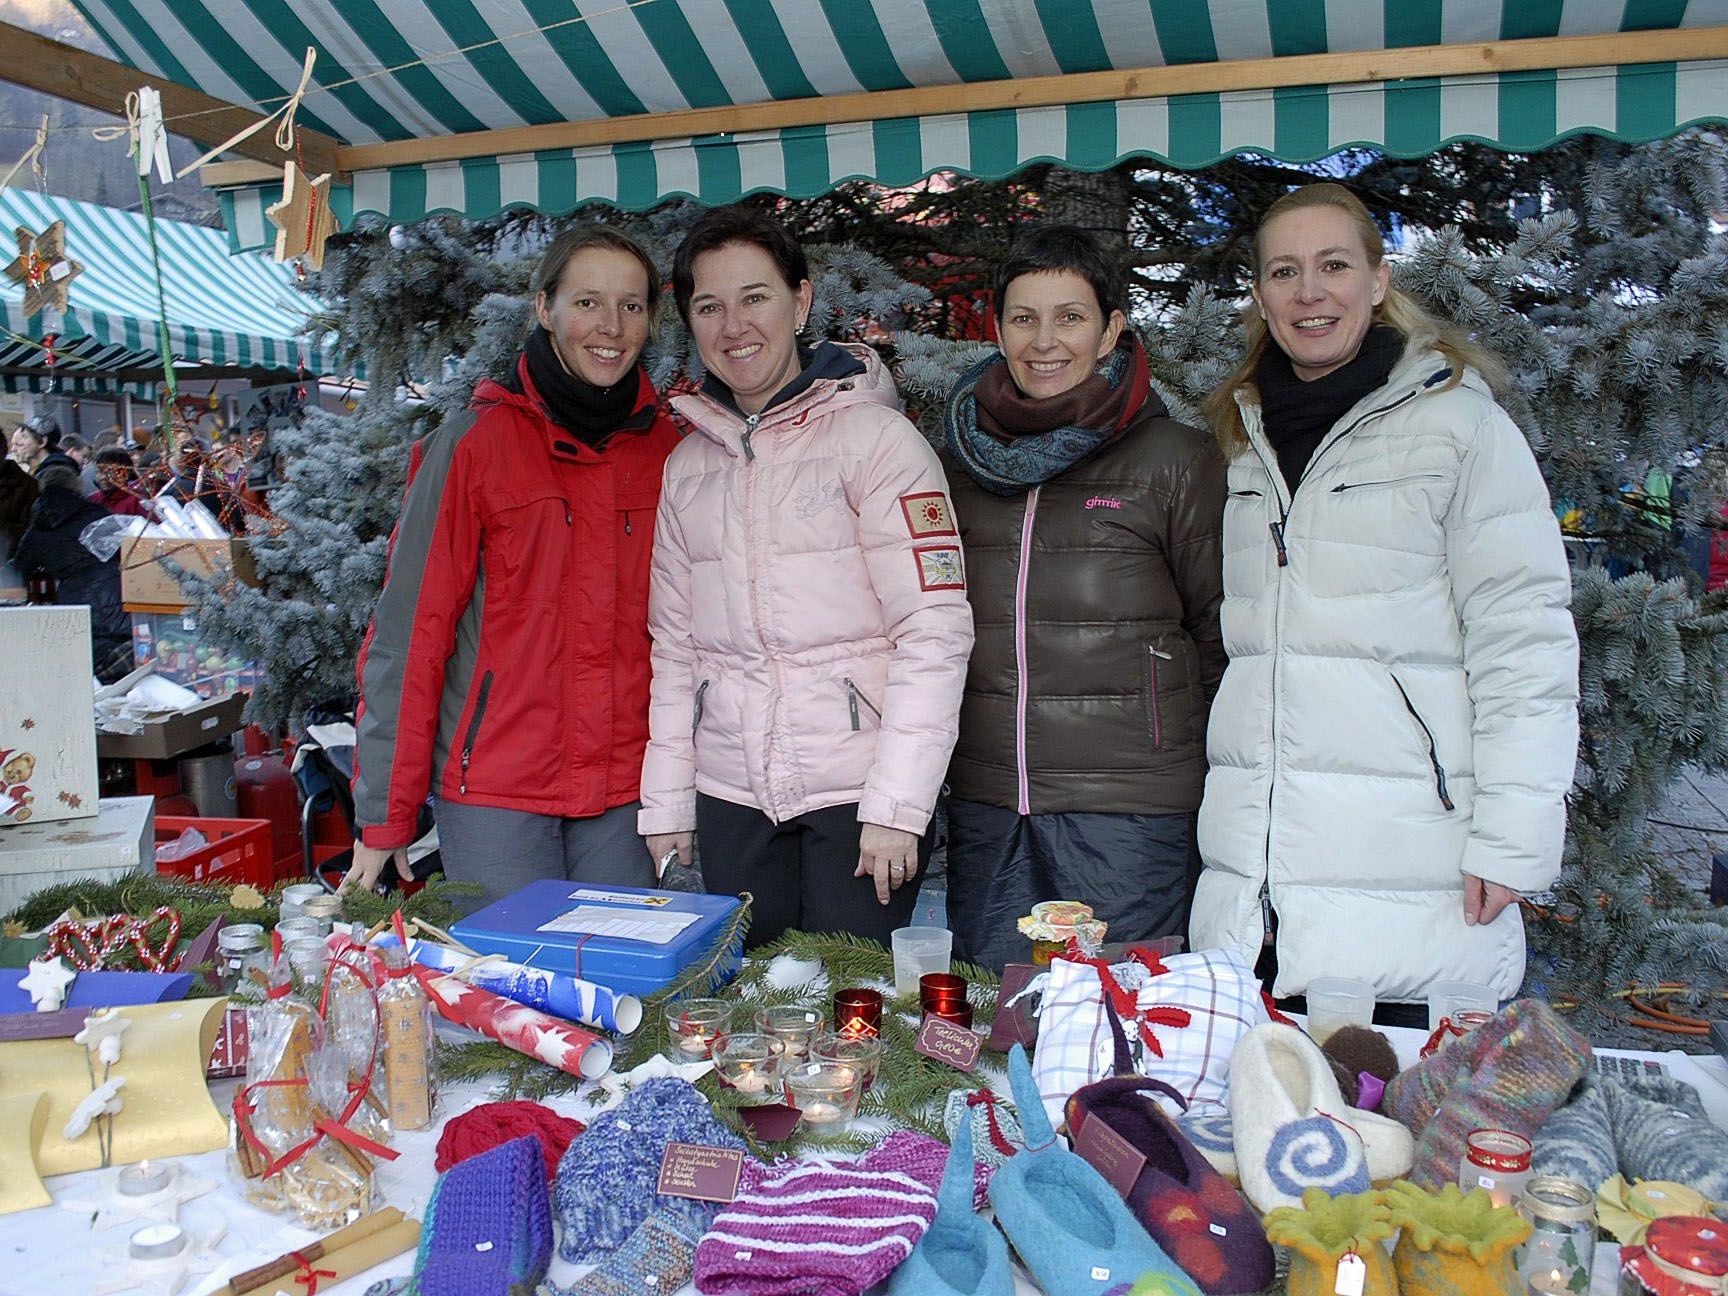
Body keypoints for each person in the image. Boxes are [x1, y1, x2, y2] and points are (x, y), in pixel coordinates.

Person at [1191, 182, 1579, 1007]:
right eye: (1284, 271)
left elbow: (1526, 643)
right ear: (1260, 294)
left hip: (1414, 875)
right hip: (1254, 893)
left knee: (1397, 1124)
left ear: (1377, 279)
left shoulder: (1460, 428)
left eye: (1334, 265)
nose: (1309, 292)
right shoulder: (1241, 439)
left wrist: (1514, 841)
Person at [639, 205, 974, 948]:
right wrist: (666, 803)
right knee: (753, 1022)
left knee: (853, 1017)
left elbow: (935, 629)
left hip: (857, 796)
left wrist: (897, 805)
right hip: (732, 794)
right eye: (709, 306)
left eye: (755, 296)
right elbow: (674, 648)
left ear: (801, 300)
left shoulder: (879, 442)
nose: (735, 325)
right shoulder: (687, 467)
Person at [345, 225, 681, 904]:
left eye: (632, 305)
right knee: (503, 991)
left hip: (626, 794)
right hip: (496, 789)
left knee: (621, 999)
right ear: (544, 308)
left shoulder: (671, 450)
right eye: (587, 302)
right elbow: (411, 635)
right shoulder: (474, 447)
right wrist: (387, 811)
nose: (611, 326)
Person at [940, 225, 1226, 972]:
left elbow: (1223, 637)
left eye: (1070, 316)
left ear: (1111, 333)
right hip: (991, 803)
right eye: (1024, 318)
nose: (1045, 341)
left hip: (1129, 814)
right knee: (1004, 1032)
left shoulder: (1177, 461)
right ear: (997, 329)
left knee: (1122, 1027)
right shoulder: (957, 464)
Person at [12, 458, 132, 680]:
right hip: (114, 586)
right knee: (122, 642)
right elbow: (124, 547)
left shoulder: (37, 528)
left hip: (73, 597)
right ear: (75, 485)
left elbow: (21, 567)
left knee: (91, 649)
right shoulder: (95, 512)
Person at [88, 447, 152, 518]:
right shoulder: (93, 500)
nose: (103, 477)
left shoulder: (138, 500)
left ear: (125, 473)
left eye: (110, 472)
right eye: (99, 472)